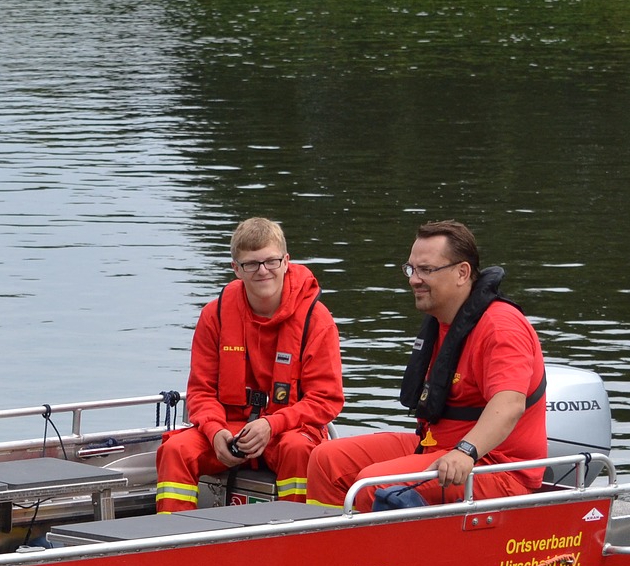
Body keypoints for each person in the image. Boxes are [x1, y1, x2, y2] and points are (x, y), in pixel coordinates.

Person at [307, 220, 546, 510]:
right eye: (411, 269)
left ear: (462, 272)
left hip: (496, 467)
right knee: (325, 460)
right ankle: (333, 549)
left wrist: (466, 451)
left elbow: (510, 405)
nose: (414, 279)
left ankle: (382, 555)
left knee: (375, 484)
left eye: (426, 270)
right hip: (436, 445)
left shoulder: (500, 327)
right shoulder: (443, 321)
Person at [155, 218, 343, 511]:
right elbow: (201, 392)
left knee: (299, 450)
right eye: (251, 264)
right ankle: (172, 542)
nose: (263, 271)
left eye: (271, 261)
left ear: (286, 261)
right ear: (236, 269)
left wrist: (272, 424)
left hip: (287, 431)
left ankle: (299, 538)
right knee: (176, 449)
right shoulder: (214, 315)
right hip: (229, 429)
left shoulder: (316, 320)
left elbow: (325, 400)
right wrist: (216, 432)